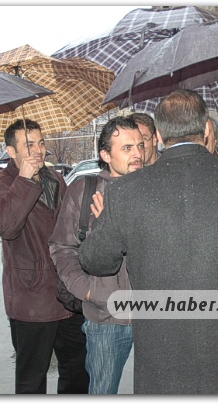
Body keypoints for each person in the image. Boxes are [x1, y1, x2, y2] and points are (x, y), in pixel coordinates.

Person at [78, 89, 218, 394]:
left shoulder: (125, 192)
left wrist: (105, 222)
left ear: (158, 136)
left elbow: (96, 261)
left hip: (162, 362)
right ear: (206, 129)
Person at [0, 119, 89, 394]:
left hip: (67, 293)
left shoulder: (54, 178)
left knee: (78, 372)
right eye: (29, 144)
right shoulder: (0, 185)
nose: (38, 150)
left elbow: (69, 225)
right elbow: (5, 226)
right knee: (32, 380)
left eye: (41, 142)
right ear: (11, 151)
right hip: (31, 300)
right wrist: (23, 180)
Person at [49, 116, 145, 394]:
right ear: (105, 154)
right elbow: (61, 246)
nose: (137, 154)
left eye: (140, 145)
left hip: (152, 316)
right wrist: (88, 291)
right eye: (127, 148)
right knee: (102, 391)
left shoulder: (154, 190)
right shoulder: (85, 190)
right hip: (105, 319)